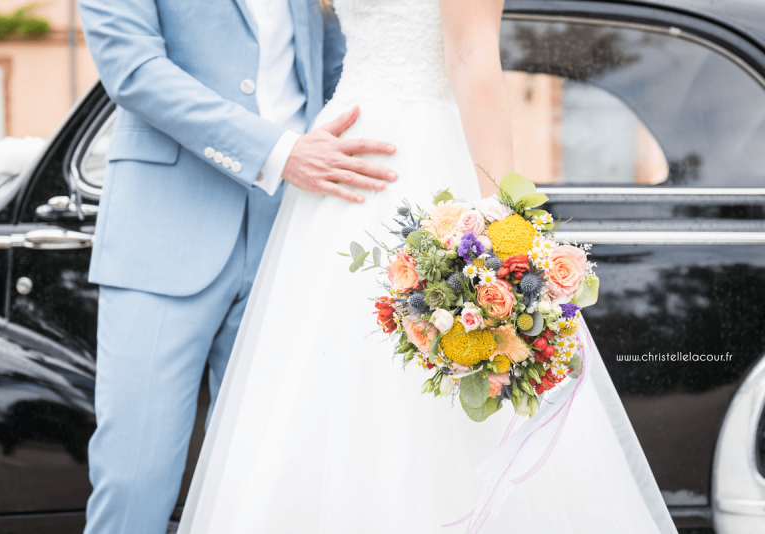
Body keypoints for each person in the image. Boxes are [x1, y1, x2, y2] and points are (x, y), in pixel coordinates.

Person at [177, 0, 679, 533]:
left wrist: (498, 215)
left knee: (433, 356)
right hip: (341, 163)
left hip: (425, 153)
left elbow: (471, 53)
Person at [76, 0, 400, 531]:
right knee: (135, 479)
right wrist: (277, 152)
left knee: (266, 484)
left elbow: (345, 70)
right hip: (165, 231)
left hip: (299, 231)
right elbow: (134, 71)